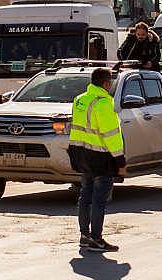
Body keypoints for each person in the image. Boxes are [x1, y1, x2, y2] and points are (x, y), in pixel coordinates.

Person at [68, 68, 126, 252]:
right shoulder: (104, 103)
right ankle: (96, 239)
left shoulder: (80, 99)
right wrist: (121, 161)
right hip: (101, 158)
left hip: (82, 155)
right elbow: (111, 135)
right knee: (99, 200)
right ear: (106, 83)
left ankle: (85, 236)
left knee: (85, 197)